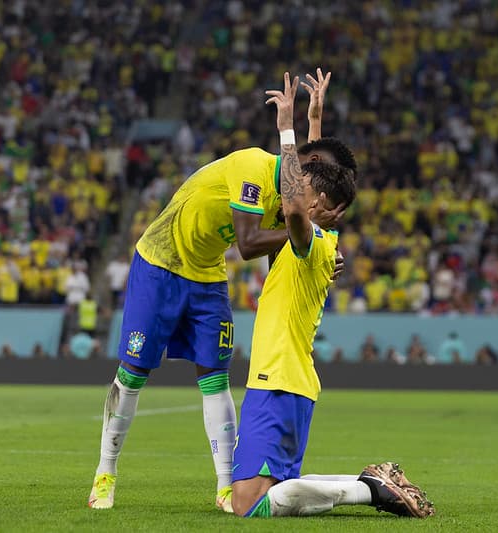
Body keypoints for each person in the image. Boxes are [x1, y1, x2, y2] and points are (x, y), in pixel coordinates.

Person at [87, 68, 356, 512]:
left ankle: (226, 486)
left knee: (214, 377)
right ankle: (105, 472)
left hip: (208, 273)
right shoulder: (252, 168)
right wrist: (306, 232)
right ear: (301, 180)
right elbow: (250, 245)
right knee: (134, 373)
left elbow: (306, 191)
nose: (317, 209)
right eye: (316, 201)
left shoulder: (292, 198)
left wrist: (317, 251)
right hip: (160, 262)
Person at [231, 73, 434, 520]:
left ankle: (370, 492)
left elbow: (297, 203)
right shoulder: (320, 241)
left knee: (247, 505)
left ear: (319, 202)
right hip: (291, 381)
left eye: (302, 187)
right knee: (276, 489)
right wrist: (314, 121)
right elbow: (313, 182)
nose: (290, 188)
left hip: (277, 380)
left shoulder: (307, 239)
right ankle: (375, 484)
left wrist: (286, 128)